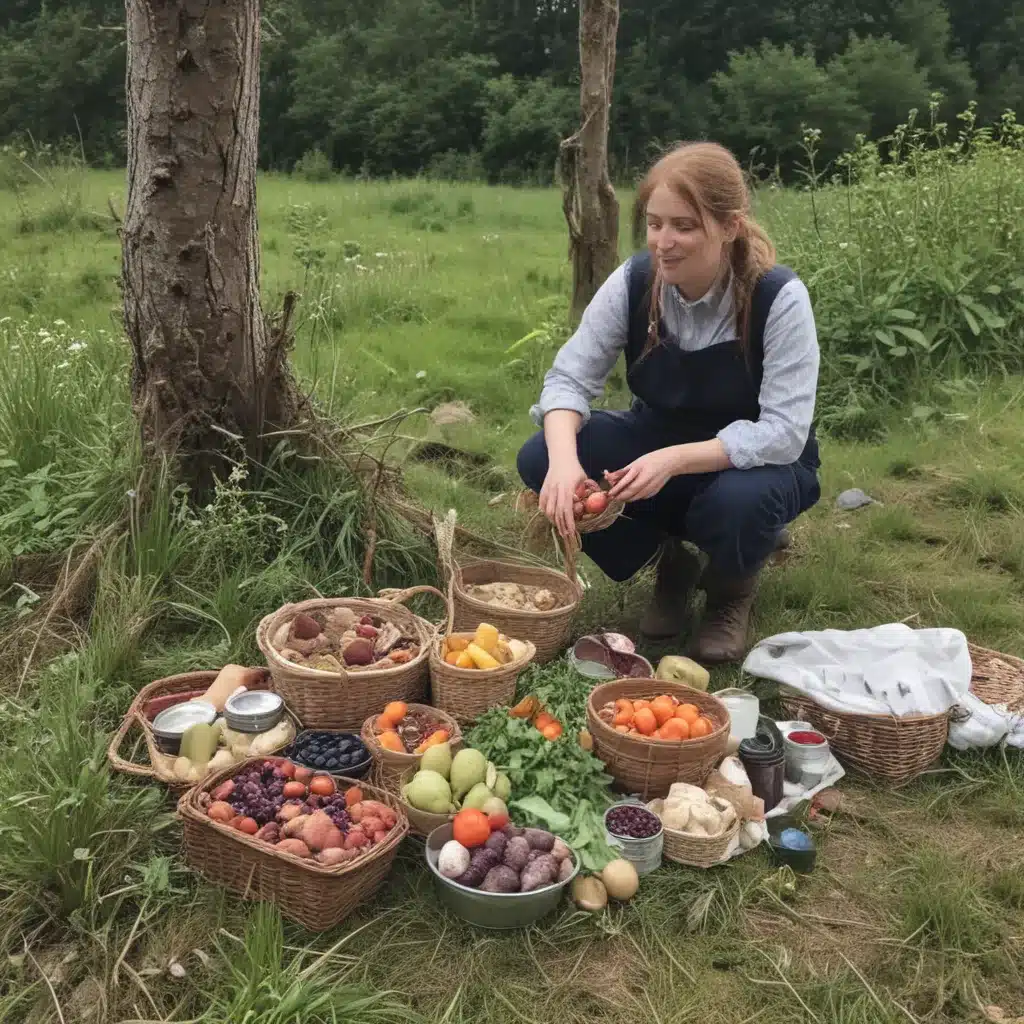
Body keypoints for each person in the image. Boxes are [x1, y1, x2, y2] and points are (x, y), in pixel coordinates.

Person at [516, 141, 821, 665]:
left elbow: (784, 432)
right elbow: (568, 378)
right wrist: (565, 466)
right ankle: (668, 564)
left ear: (730, 226)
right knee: (540, 457)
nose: (664, 242)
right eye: (655, 224)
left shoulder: (778, 299)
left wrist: (675, 459)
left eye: (684, 225)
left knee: (739, 503)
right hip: (657, 441)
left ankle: (731, 588)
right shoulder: (635, 283)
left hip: (758, 466)